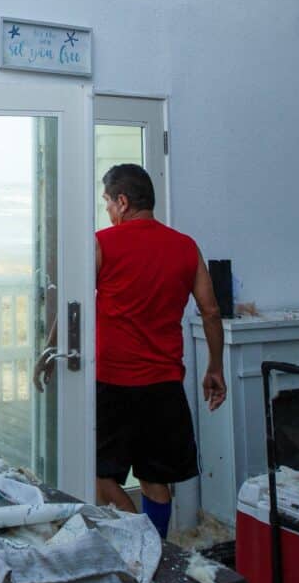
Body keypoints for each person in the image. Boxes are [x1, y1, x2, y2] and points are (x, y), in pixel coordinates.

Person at [91, 162, 224, 536]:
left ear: (122, 201)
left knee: (98, 475)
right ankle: (158, 556)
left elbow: (76, 306)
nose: (106, 211)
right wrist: (215, 367)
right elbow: (211, 312)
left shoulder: (102, 243)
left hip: (113, 380)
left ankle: (142, 542)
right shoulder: (185, 246)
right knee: (155, 480)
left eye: (107, 202)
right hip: (164, 384)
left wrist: (53, 349)